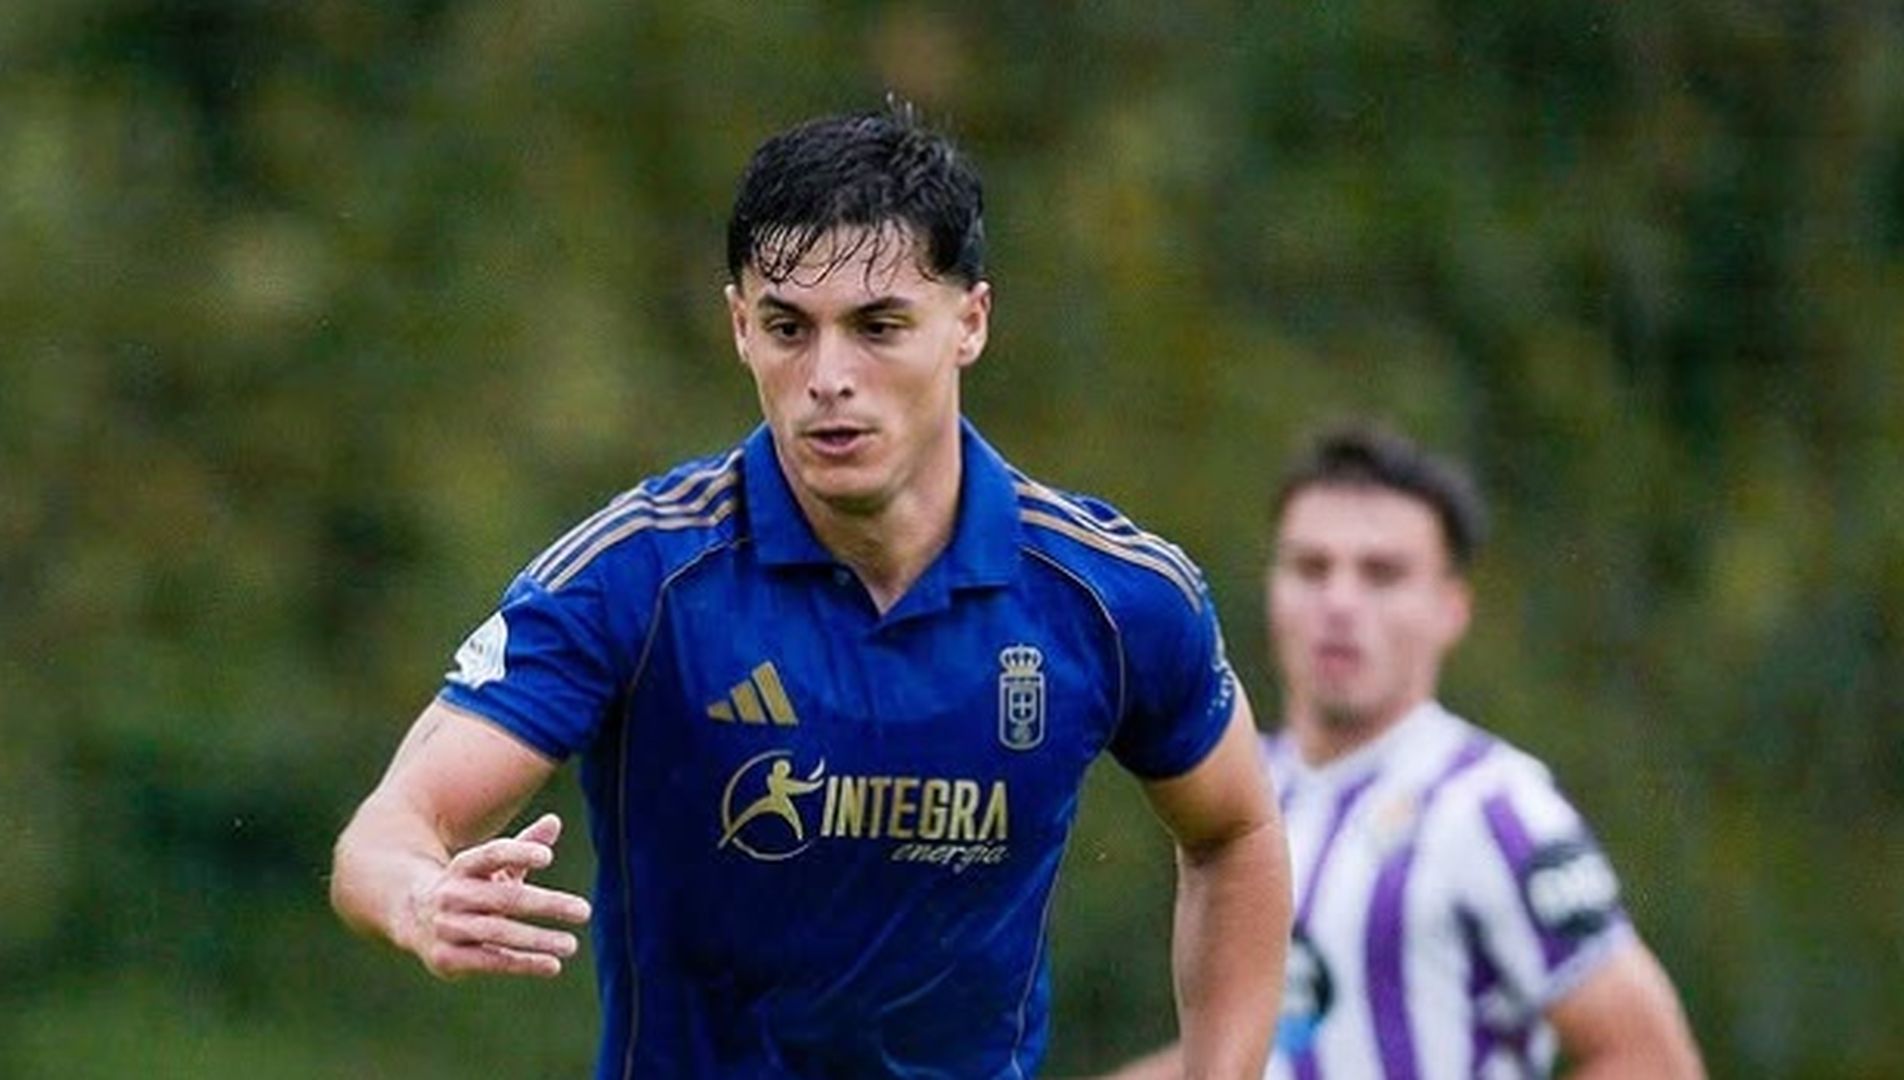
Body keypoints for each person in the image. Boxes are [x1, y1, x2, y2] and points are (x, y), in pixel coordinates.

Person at [328, 103, 1292, 1079]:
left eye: (878, 327)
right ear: (740, 328)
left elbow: (1235, 833)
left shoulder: (1112, 597)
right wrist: (421, 899)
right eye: (789, 327)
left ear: (970, 322)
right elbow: (390, 829)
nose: (829, 376)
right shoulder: (636, 577)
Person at [1104, 423, 1705, 1079]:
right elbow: (1284, 1050)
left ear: (1451, 607)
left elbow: (1652, 1059)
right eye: (1310, 568)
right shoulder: (1244, 792)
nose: (1339, 602)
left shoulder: (1496, 806)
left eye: (1381, 575)